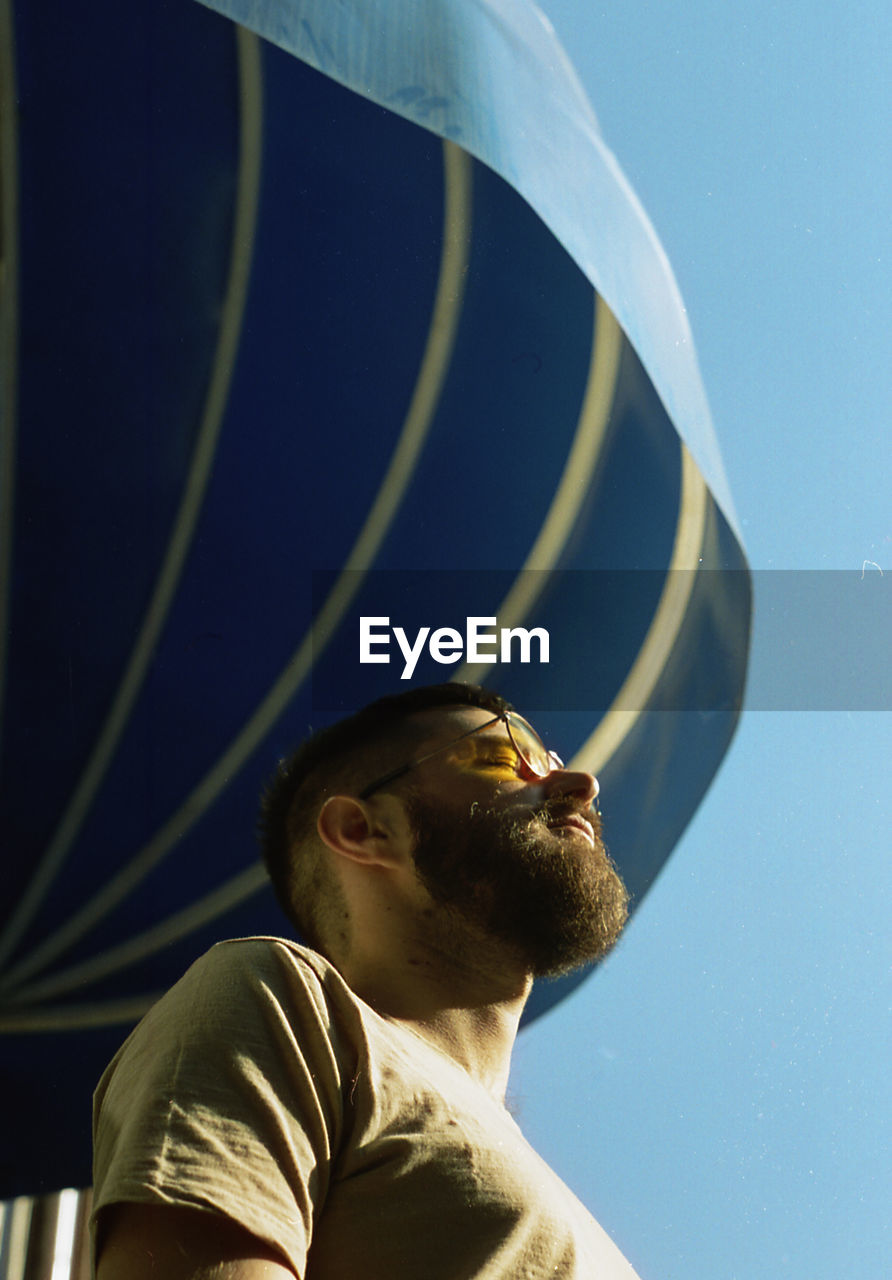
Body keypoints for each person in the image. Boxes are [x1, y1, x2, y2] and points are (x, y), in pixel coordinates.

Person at [92, 682, 637, 1278]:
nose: (582, 785)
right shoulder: (283, 1002)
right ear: (364, 830)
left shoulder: (567, 1209)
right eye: (505, 759)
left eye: (552, 763)